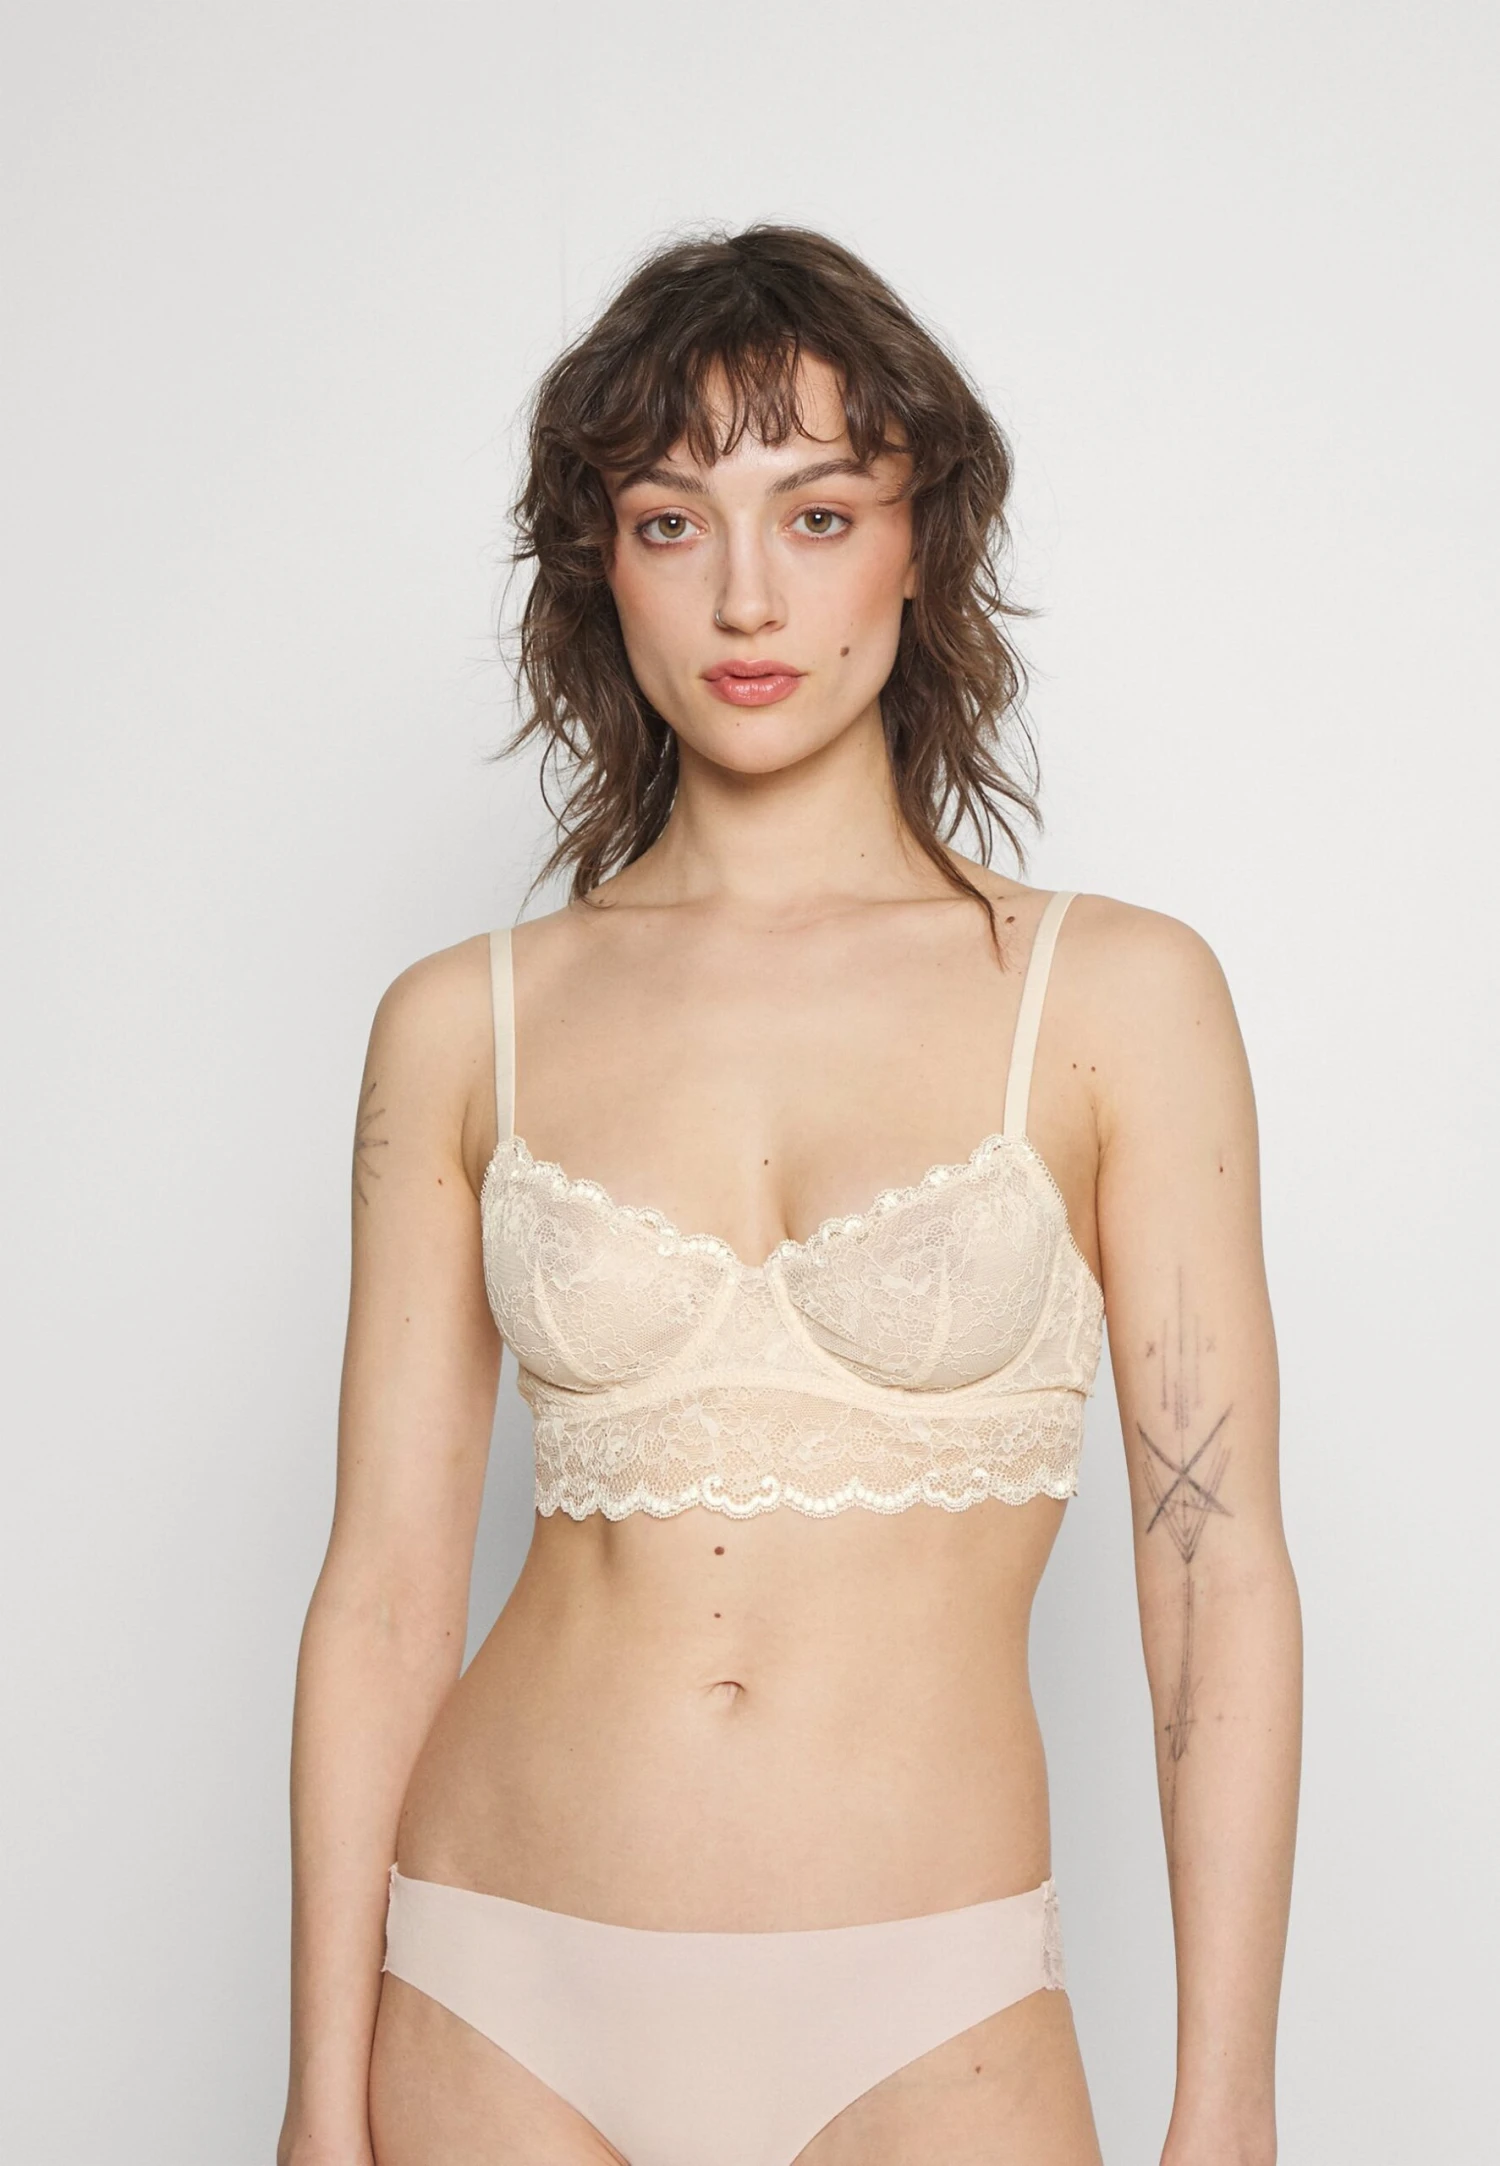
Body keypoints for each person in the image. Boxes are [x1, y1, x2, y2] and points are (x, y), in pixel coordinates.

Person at [277, 225, 1302, 2166]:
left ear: (926, 540)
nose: (747, 594)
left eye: (818, 515)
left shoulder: (1113, 999)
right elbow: (387, 1589)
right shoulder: (464, 1022)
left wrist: (1228, 2099)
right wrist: (321, 2094)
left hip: (932, 2006)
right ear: (601, 568)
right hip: (497, 1978)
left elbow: (1214, 1571)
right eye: (672, 524)